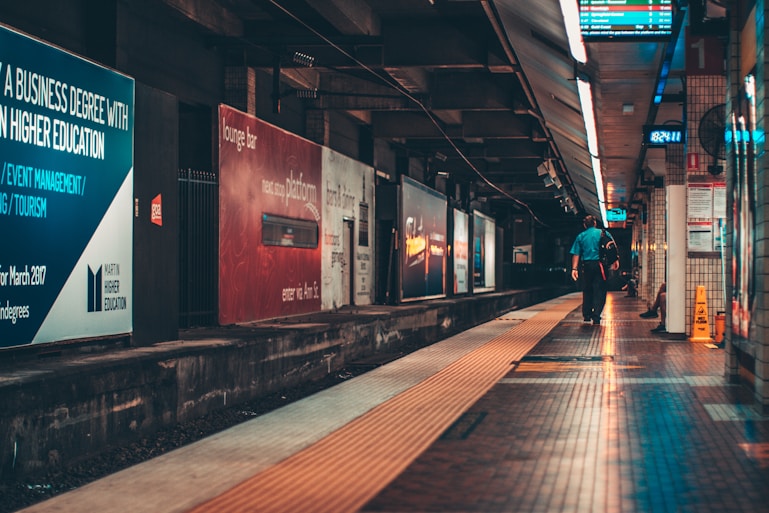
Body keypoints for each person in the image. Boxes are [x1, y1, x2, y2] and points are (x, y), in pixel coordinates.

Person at [570, 215, 619, 325]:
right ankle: (596, 315)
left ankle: (587, 314)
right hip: (600, 265)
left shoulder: (581, 236)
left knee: (587, 289)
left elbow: (576, 253)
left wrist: (574, 268)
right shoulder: (603, 233)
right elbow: (612, 247)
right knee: (600, 290)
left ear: (584, 225)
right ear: (595, 223)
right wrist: (616, 260)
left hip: (586, 266)